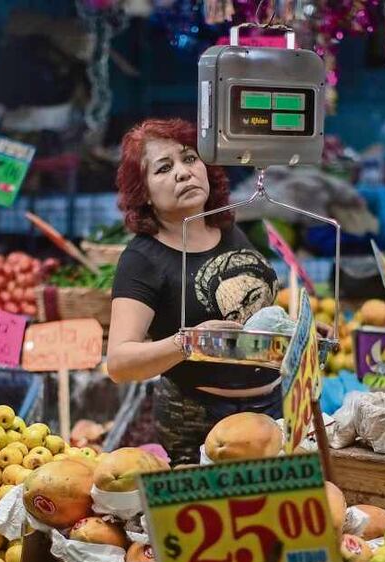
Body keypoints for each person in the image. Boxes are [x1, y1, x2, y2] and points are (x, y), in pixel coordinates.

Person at [106, 118, 282, 464]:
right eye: (163, 168)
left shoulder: (227, 227)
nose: (183, 173)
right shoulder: (142, 260)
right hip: (201, 421)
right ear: (143, 193)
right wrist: (189, 341)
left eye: (189, 159)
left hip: (272, 408)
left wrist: (292, 331)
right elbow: (119, 363)